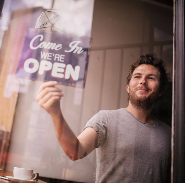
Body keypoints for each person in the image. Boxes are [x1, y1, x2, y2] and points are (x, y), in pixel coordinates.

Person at [36, 53, 171, 182]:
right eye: (137, 76)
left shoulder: (169, 134)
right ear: (128, 87)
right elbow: (75, 152)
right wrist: (56, 113)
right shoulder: (106, 119)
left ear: (161, 91)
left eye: (151, 78)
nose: (143, 81)